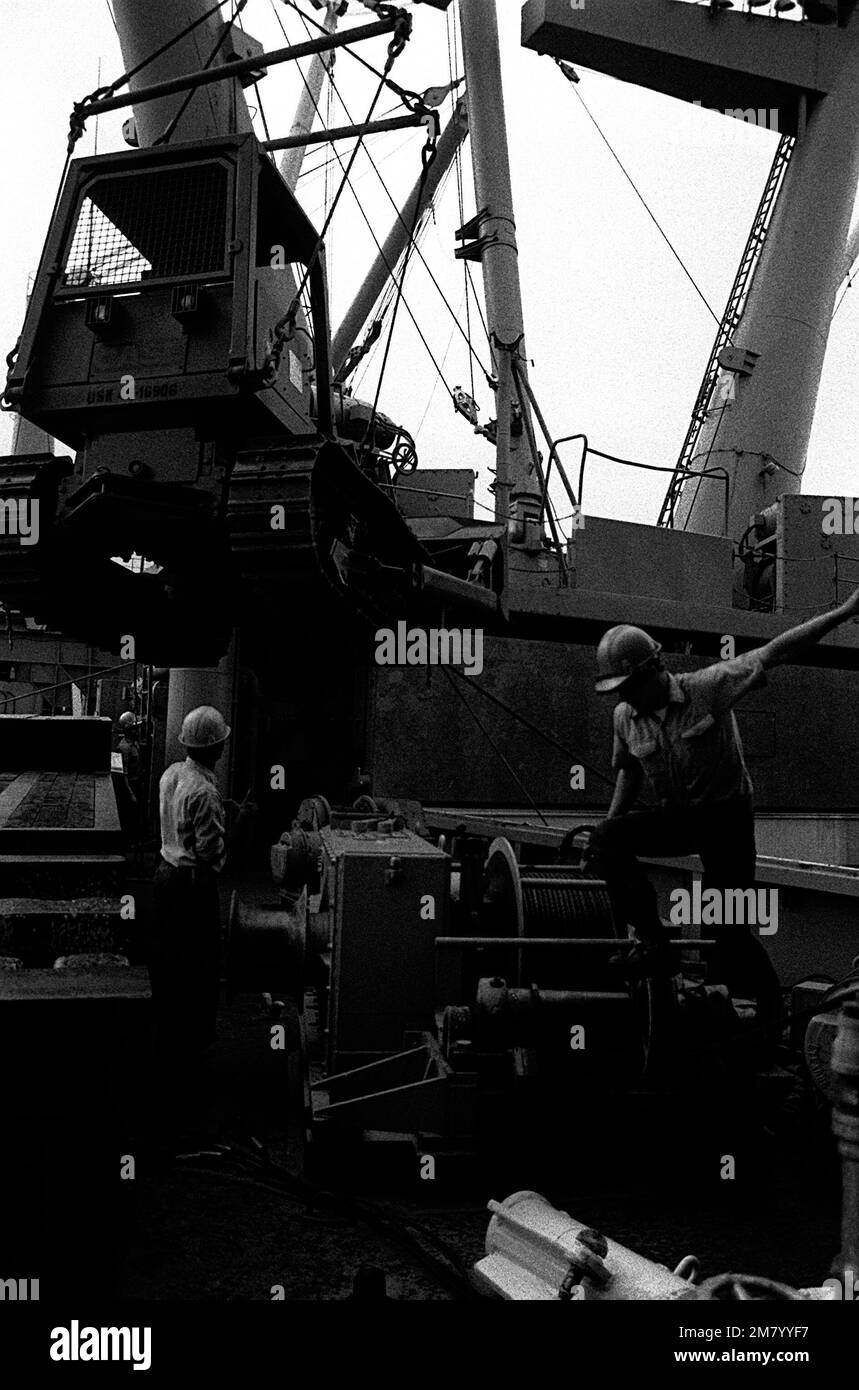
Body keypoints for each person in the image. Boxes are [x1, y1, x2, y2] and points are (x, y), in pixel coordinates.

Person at [587, 588, 859, 1023]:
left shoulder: (708, 688)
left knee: (727, 930)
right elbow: (629, 773)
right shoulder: (625, 716)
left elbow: (775, 651)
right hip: (676, 817)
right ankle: (654, 943)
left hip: (726, 822)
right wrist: (604, 835)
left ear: (654, 669)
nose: (626, 698)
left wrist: (845, 612)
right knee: (605, 840)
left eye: (629, 686)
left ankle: (772, 1018)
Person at [148, 705, 241, 1150]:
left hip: (164, 876)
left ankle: (167, 1054)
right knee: (198, 971)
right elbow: (211, 854)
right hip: (191, 886)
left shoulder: (170, 775)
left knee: (168, 969)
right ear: (216, 747)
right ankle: (190, 1069)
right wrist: (235, 826)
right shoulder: (205, 793)